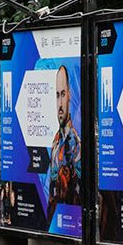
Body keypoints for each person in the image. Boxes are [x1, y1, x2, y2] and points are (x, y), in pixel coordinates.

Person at [45, 64, 81, 212]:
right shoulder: (55, 142)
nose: (60, 104)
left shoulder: (75, 144)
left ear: (69, 95)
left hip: (70, 222)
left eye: (63, 94)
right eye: (57, 95)